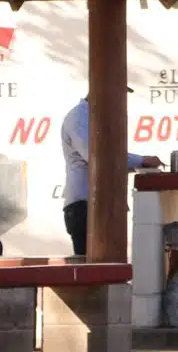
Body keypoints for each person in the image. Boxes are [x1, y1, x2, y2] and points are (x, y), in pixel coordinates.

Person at [59, 96, 162, 256]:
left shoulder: (93, 117)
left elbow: (108, 159)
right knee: (93, 272)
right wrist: (142, 160)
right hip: (84, 206)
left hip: (97, 207)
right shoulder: (79, 117)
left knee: (105, 268)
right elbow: (98, 158)